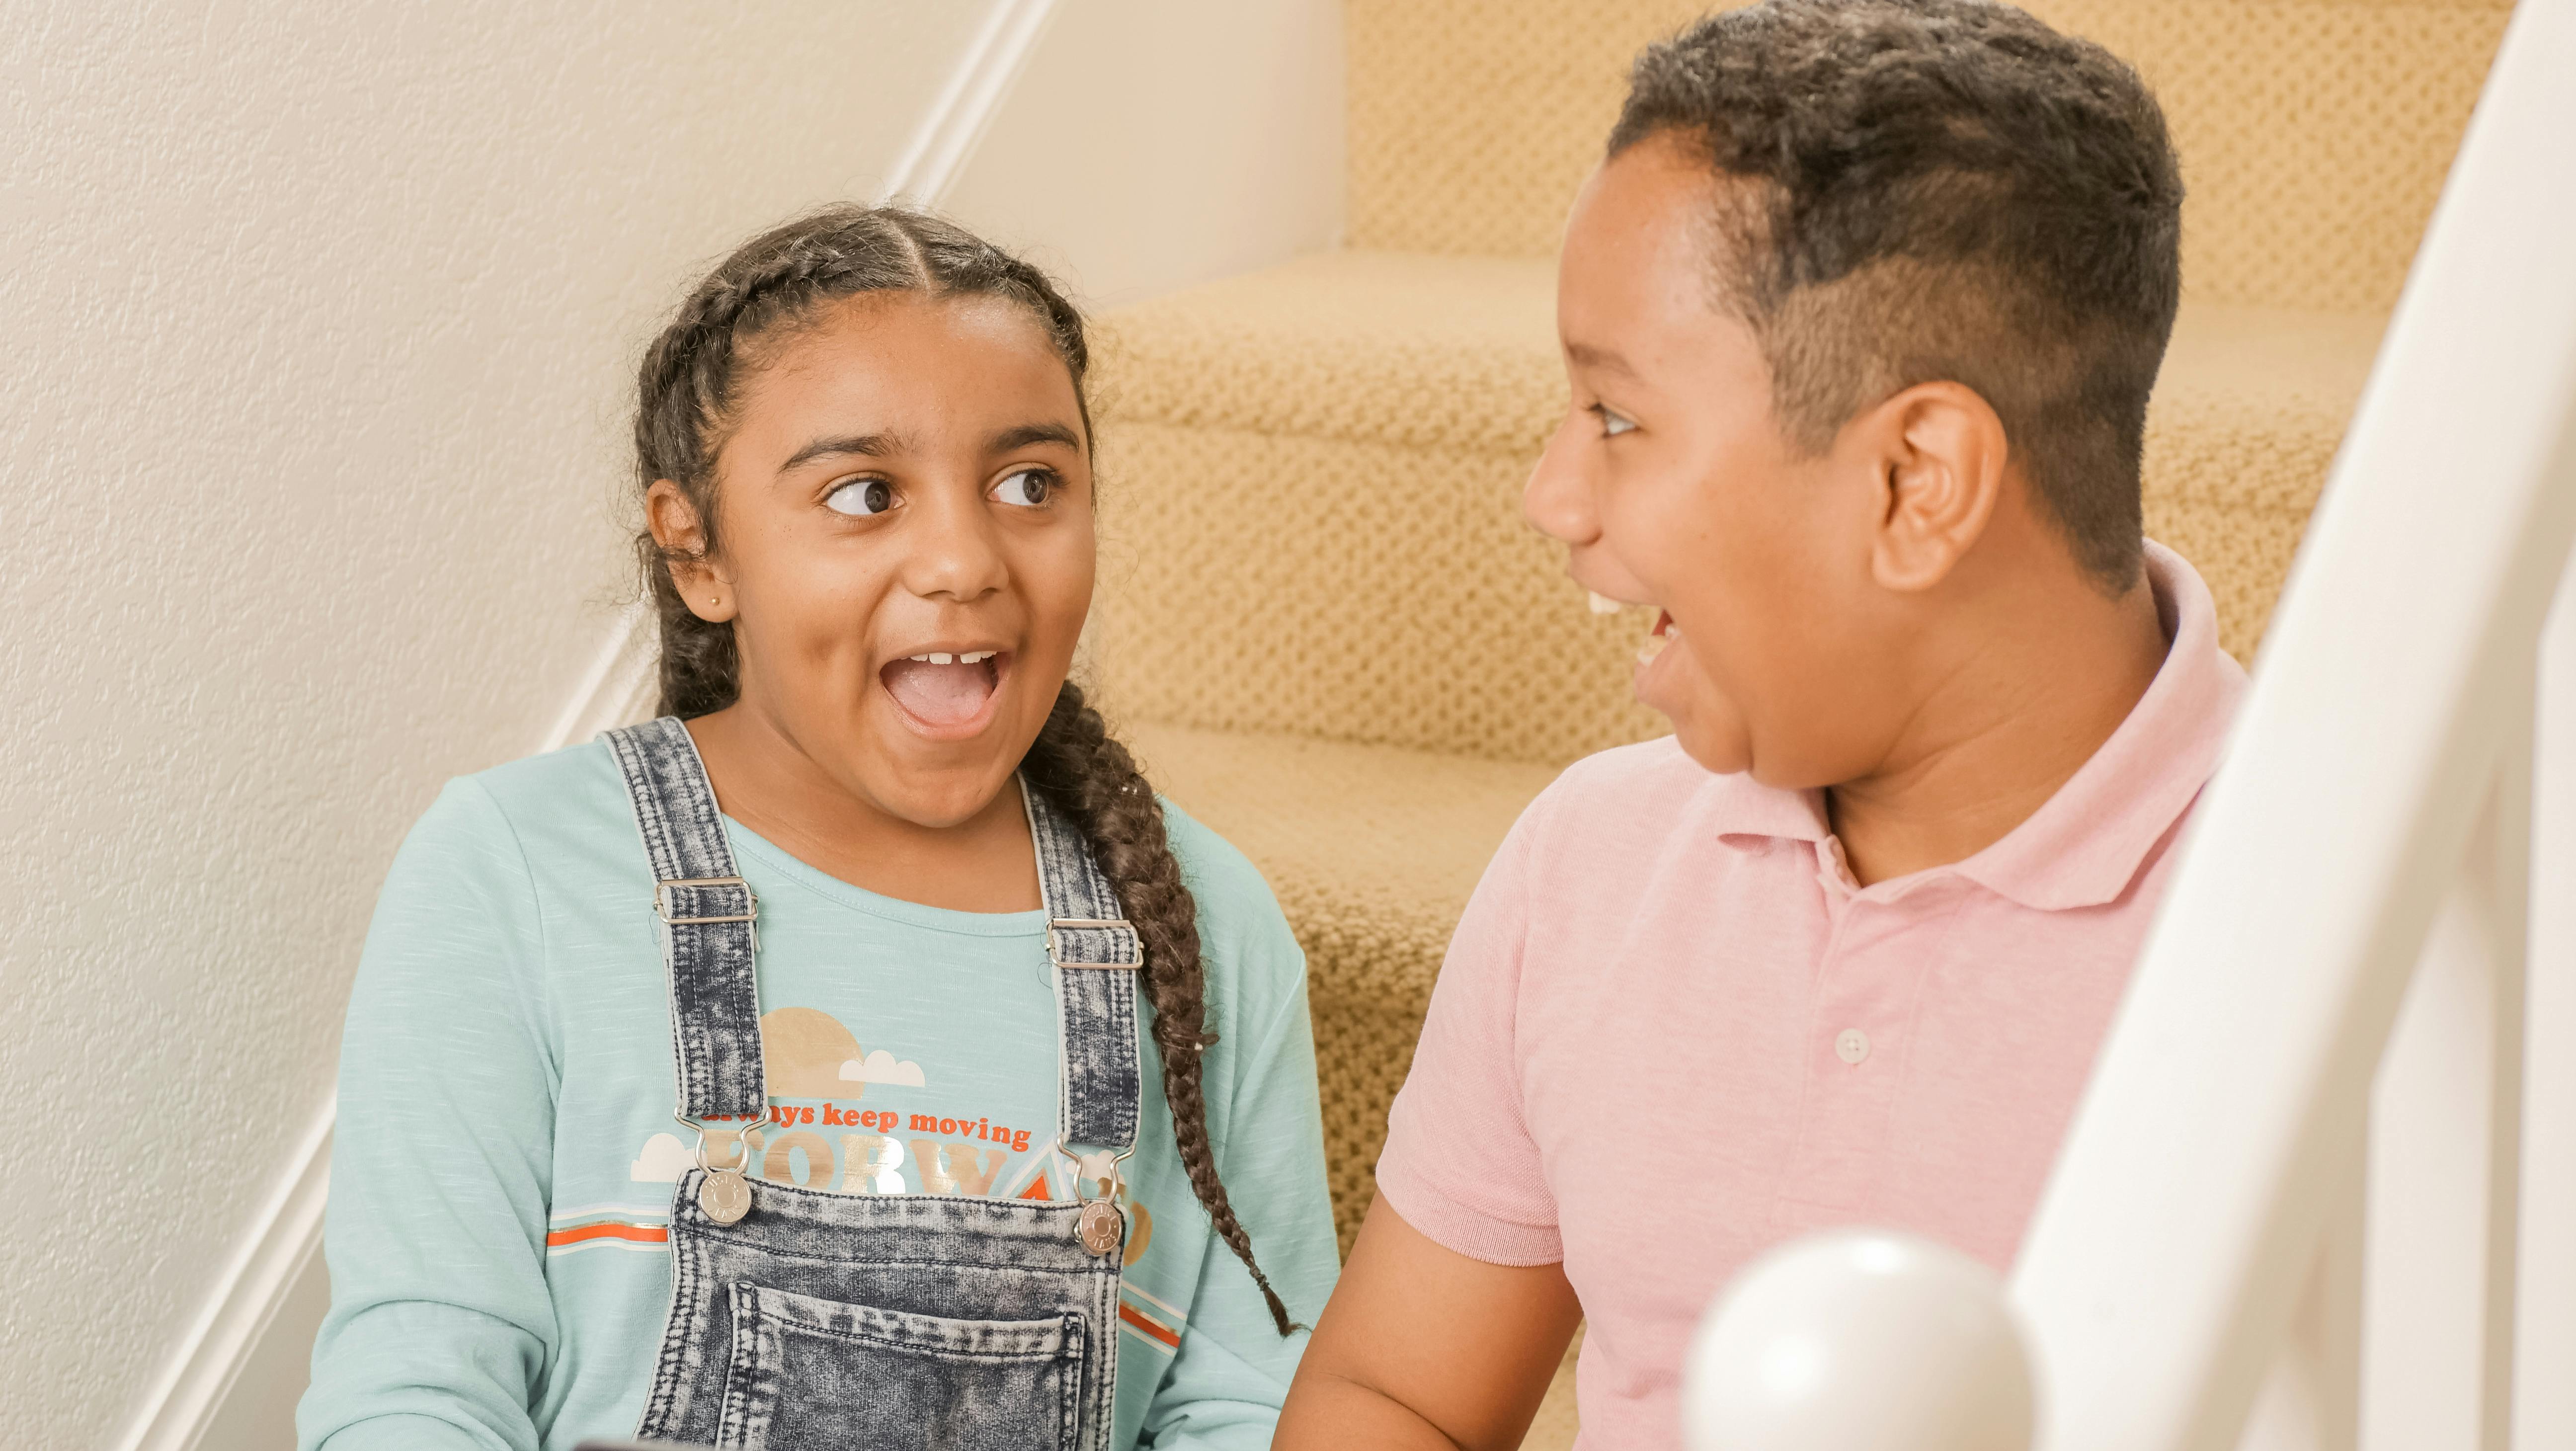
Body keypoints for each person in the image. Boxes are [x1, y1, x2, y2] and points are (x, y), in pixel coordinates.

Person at [1276, 3, 2234, 1447]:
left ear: (1917, 483)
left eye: (1615, 415)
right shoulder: (1588, 859)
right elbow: (1397, 1394)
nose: (1554, 497)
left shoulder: (2349, 926)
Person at [300, 207, 1339, 1451]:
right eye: (864, 493)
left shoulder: (1204, 923)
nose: (963, 557)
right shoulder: (514, 870)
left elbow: (1251, 1404)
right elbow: (417, 1383)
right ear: (698, 552)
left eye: (1030, 483)